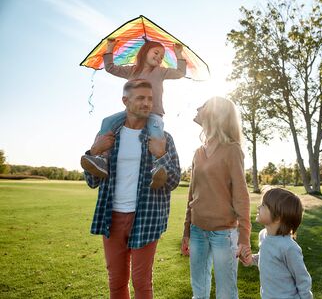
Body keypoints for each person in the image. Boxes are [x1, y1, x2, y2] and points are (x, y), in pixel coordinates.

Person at [84, 79, 181, 299]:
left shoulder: (163, 138)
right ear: (125, 101)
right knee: (116, 281)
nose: (147, 103)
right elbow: (91, 181)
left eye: (150, 99)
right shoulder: (109, 136)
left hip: (146, 216)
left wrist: (160, 155)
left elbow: (174, 181)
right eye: (141, 98)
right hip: (112, 216)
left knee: (141, 281)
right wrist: (94, 150)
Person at [81, 38, 186, 189]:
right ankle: (102, 160)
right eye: (156, 52)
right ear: (144, 52)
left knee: (157, 132)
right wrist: (110, 48)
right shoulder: (132, 70)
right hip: (130, 113)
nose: (159, 57)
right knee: (107, 122)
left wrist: (178, 53)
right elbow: (110, 67)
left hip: (154, 113)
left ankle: (158, 169)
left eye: (162, 56)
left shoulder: (161, 72)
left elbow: (180, 72)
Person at [180, 97, 251, 299]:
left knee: (226, 294)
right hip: (197, 231)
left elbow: (241, 195)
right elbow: (192, 194)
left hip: (224, 234)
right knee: (199, 292)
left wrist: (244, 236)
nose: (199, 110)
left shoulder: (232, 150)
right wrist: (186, 229)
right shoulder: (198, 153)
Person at [241, 188, 313, 299]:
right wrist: (251, 259)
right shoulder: (263, 235)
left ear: (278, 217)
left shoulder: (289, 247)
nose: (259, 207)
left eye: (264, 205)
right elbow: (266, 257)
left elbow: (303, 279)